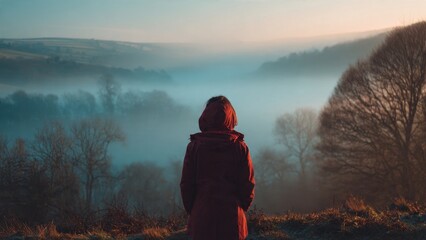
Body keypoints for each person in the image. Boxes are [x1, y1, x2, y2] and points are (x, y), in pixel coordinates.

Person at [180, 96, 255, 240]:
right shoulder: (240, 147)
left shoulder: (194, 147)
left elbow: (186, 185)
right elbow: (248, 184)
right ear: (230, 117)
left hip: (202, 218)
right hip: (233, 219)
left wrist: (194, 210)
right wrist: (241, 207)